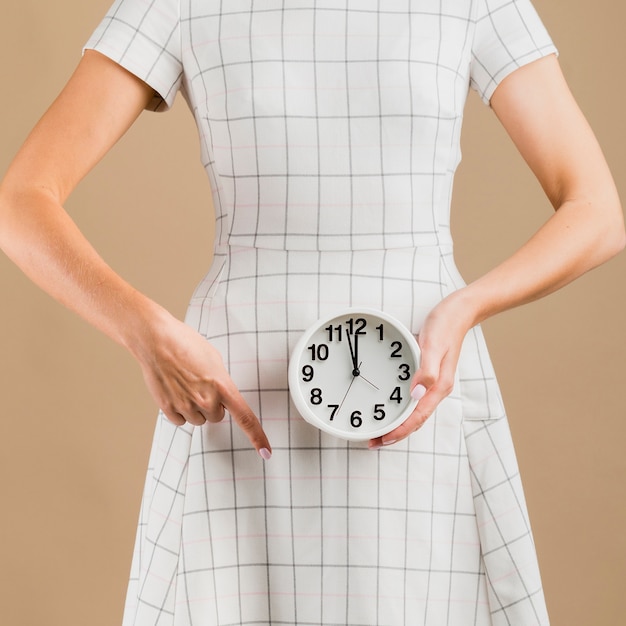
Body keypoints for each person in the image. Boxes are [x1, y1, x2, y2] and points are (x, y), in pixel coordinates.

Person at [0, 0, 623, 624]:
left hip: (419, 381)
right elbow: (21, 200)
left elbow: (597, 211)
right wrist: (144, 329)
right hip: (241, 393)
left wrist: (467, 306)